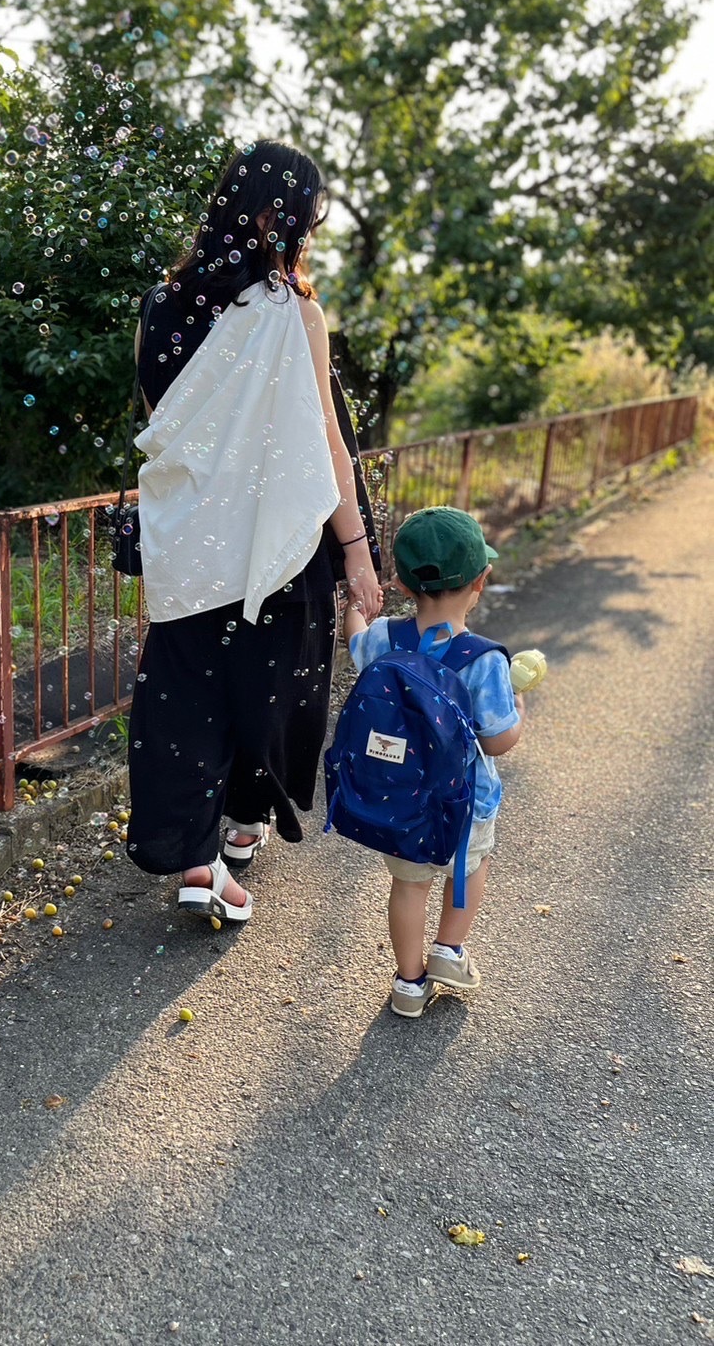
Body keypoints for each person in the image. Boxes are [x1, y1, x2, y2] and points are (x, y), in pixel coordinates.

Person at [126, 139, 383, 925]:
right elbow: (327, 443)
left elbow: (161, 424)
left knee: (184, 697)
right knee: (274, 689)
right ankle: (243, 823)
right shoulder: (293, 311)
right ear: (282, 218)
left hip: (191, 540)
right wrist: (357, 553)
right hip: (277, 543)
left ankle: (198, 858)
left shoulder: (160, 306)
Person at [343, 507, 523, 1017]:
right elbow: (497, 741)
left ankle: (408, 983)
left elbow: (357, 633)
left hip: (400, 801)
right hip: (466, 803)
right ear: (480, 582)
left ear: (399, 583)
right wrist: (521, 712)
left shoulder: (383, 641)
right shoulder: (485, 659)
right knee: (468, 866)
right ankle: (449, 950)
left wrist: (357, 603)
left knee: (409, 884)